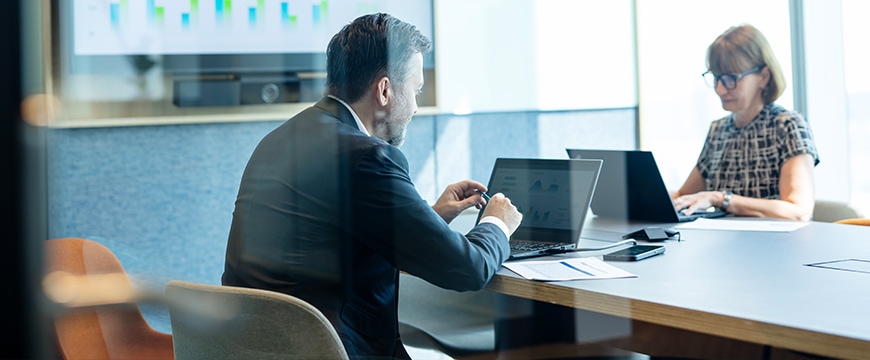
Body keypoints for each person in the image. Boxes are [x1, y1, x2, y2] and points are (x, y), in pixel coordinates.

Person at [221, 13, 523, 359]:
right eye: (415, 91)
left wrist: (430, 218)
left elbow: (334, 234)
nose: (415, 108)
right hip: (329, 350)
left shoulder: (278, 140)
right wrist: (497, 222)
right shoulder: (366, 156)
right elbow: (468, 270)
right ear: (384, 90)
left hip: (259, 347)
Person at [672, 24, 819, 221]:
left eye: (731, 78)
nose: (721, 89)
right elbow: (684, 197)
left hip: (775, 246)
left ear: (764, 76)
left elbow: (798, 211)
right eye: (716, 78)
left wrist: (721, 199)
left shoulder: (788, 126)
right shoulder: (718, 130)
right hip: (725, 245)